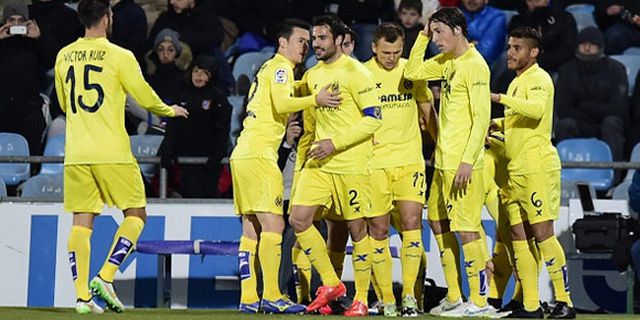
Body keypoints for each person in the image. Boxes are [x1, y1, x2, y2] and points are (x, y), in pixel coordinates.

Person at [54, 0, 188, 314]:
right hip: (111, 150)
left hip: (75, 152)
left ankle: (81, 298)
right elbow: (141, 92)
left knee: (81, 222)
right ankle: (106, 276)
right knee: (136, 215)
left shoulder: (63, 56)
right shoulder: (119, 55)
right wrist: (168, 110)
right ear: (106, 17)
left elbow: (62, 101)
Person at [230, 18, 339, 314]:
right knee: (274, 225)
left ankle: (249, 297)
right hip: (260, 155)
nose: (306, 47)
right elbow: (281, 103)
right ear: (282, 42)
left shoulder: (271, 69)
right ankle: (273, 295)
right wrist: (314, 99)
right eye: (300, 40)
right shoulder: (279, 68)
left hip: (243, 153)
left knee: (251, 228)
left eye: (308, 41)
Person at [288, 14, 382, 316]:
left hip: (352, 164)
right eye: (314, 39)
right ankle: (331, 283)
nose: (316, 44)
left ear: (339, 40)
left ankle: (362, 300)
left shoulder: (357, 73)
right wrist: (303, 160)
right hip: (320, 163)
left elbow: (373, 119)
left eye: (322, 38)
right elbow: (311, 125)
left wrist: (335, 143)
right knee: (299, 219)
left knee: (357, 230)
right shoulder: (313, 75)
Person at [404, 7, 493, 317]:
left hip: (462, 165)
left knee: (467, 230)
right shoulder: (447, 63)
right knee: (437, 222)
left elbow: (482, 118)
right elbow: (412, 72)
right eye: (434, 33)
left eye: (440, 32)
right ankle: (455, 295)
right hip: (443, 162)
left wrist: (468, 161)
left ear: (458, 31)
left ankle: (480, 302)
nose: (436, 39)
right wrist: (422, 35)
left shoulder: (475, 66)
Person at [490, 27, 575, 319]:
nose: (510, 53)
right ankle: (531, 305)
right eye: (510, 47)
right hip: (515, 169)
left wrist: (499, 99)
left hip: (538, 167)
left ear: (533, 52)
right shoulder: (517, 82)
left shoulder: (540, 79)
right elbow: (519, 121)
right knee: (519, 236)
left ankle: (565, 302)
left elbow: (537, 111)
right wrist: (497, 126)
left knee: (542, 234)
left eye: (517, 48)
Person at [364, 22, 435, 317]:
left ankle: (408, 295)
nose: (391, 58)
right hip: (375, 163)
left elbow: (428, 112)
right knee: (378, 229)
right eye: (385, 52)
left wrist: (439, 147)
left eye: (396, 52)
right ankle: (386, 298)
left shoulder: (412, 71)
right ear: (374, 48)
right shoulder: (362, 74)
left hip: (409, 161)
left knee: (411, 224)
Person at [555, 26, 628, 168]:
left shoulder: (616, 69)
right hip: (579, 122)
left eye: (592, 44)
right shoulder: (566, 70)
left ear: (600, 47)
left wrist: (585, 105)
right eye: (583, 44)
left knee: (612, 123)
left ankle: (614, 174)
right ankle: (563, 174)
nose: (587, 48)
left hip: (605, 122)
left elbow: (619, 108)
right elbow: (564, 107)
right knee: (565, 125)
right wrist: (592, 114)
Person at [159, 55, 231, 198]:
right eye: (196, 71)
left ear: (211, 76)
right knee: (188, 193)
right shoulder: (181, 95)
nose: (199, 76)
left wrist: (217, 157)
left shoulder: (218, 98)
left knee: (208, 197)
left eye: (205, 72)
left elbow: (222, 131)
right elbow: (173, 127)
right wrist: (167, 152)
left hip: (210, 163)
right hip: (185, 161)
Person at [0, 0, 56, 157]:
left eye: (21, 21)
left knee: (33, 128)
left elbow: (56, 60)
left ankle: (33, 174)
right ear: (5, 22)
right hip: (3, 107)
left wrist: (39, 37)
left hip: (29, 108)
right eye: (12, 20)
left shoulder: (35, 44)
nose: (16, 24)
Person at [461, 0, 507, 65]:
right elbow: (443, 50)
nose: (471, 0)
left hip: (484, 68)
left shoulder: (497, 17)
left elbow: (485, 53)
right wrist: (473, 44)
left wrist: (458, 45)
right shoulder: (455, 15)